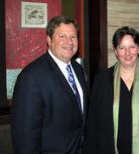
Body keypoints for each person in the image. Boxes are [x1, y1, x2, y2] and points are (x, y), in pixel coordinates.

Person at [11, 15, 89, 154]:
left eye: (73, 37)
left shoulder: (78, 70)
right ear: (49, 40)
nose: (69, 42)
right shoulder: (31, 77)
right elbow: (25, 138)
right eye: (62, 36)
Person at [86, 26, 139, 154]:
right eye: (122, 48)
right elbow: (92, 123)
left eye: (132, 47)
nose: (127, 53)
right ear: (115, 51)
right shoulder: (101, 80)